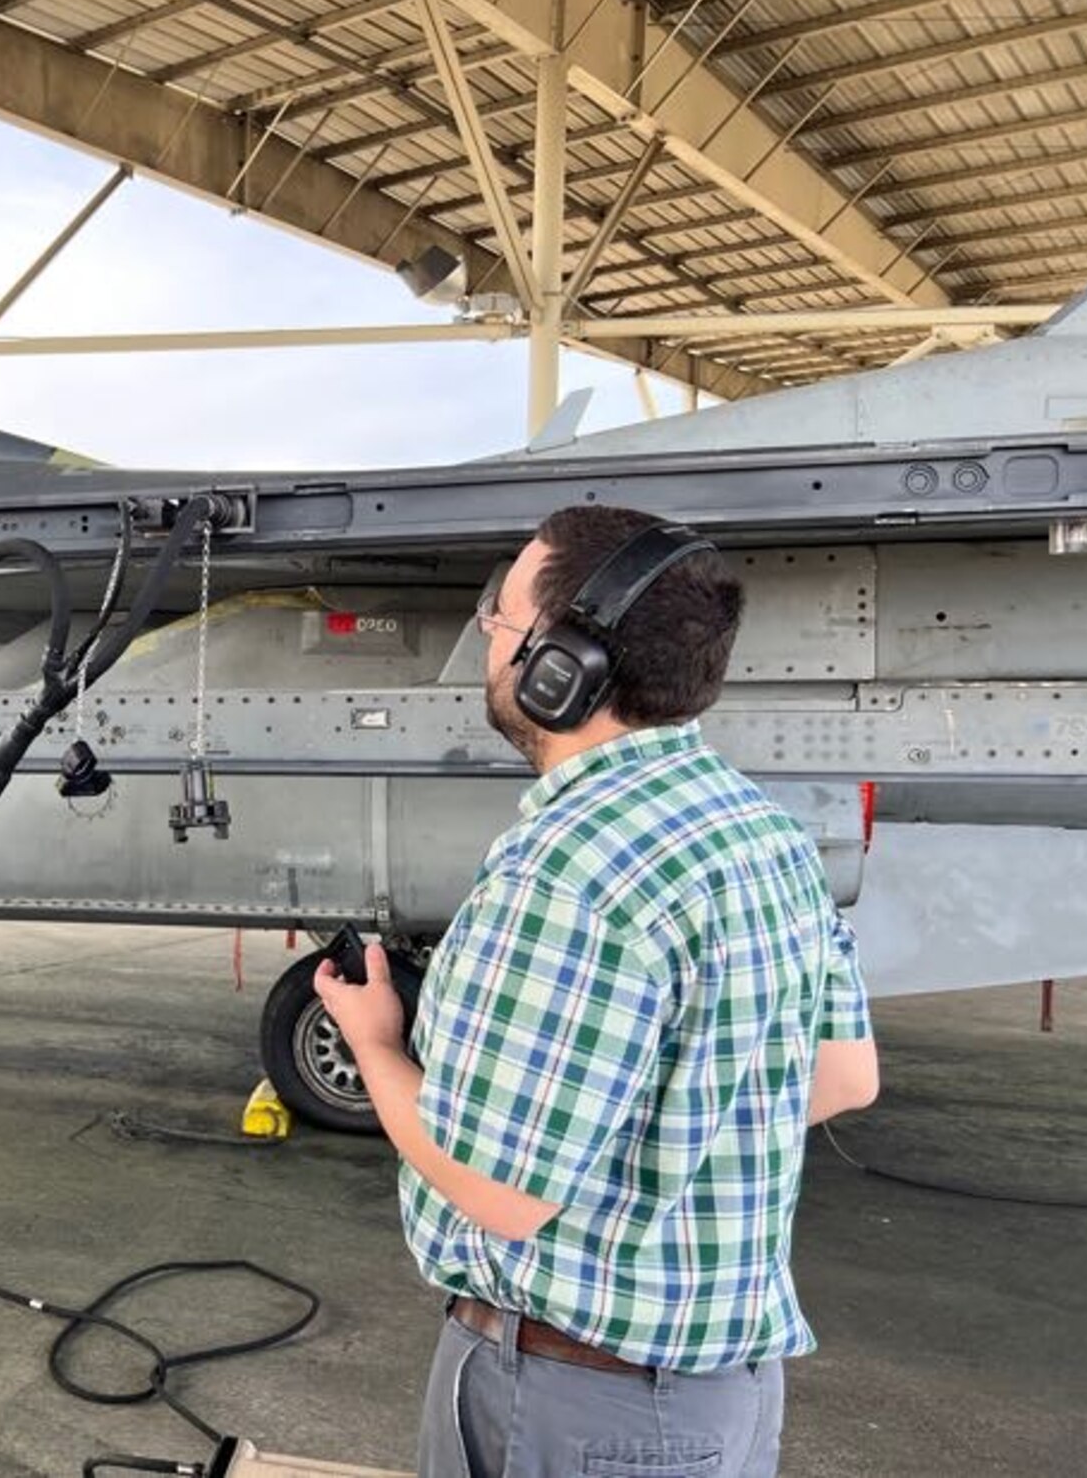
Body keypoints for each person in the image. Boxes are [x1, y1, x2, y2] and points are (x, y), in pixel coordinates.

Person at [317, 506, 880, 1478]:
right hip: (722, 1401)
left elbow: (496, 1189)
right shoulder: (763, 832)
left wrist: (373, 1046)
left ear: (557, 665)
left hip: (576, 1406)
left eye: (497, 621)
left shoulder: (567, 867)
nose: (487, 644)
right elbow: (839, 1078)